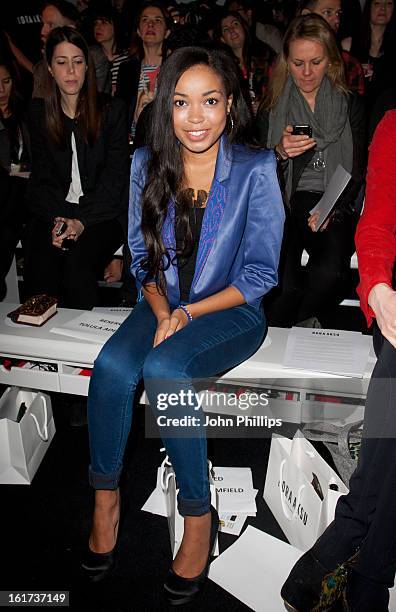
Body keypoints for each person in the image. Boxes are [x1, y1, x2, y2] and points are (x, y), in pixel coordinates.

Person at [81, 46, 284, 604]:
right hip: (162, 301)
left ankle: (198, 515)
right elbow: (141, 258)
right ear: (166, 108)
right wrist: (163, 306)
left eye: (209, 101)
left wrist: (188, 313)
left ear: (230, 105)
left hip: (231, 310)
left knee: (167, 368)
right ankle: (105, 498)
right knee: (113, 367)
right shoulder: (147, 162)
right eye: (181, 102)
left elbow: (261, 274)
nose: (195, 117)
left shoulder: (255, 167)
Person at [281, 108, 396, 612]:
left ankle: (357, 533)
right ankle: (370, 559)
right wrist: (378, 289)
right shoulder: (393, 124)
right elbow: (376, 225)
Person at [254, 14, 365, 327]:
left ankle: (304, 325)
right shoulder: (272, 106)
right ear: (285, 61)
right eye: (297, 62)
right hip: (284, 203)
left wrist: (334, 206)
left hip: (334, 200)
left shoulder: (349, 103)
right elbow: (255, 168)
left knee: (331, 272)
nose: (306, 73)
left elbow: (356, 169)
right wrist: (278, 151)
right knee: (281, 286)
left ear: (330, 60)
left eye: (315, 62)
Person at [24, 26, 128, 310]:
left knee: (77, 267)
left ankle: (82, 351)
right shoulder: (38, 113)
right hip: (54, 211)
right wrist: (60, 221)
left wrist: (80, 221)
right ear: (49, 68)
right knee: (40, 266)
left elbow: (115, 181)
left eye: (78, 61)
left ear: (87, 66)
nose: (71, 71)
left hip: (102, 215)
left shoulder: (112, 111)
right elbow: (41, 178)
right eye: (61, 62)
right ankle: (39, 349)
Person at [0, 55, 31, 301]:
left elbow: (34, 161)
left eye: (6, 81)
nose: (1, 89)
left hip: (23, 198)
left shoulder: (24, 114)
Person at [115, 1, 171, 135]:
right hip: (134, 145)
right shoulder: (126, 69)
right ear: (139, 31)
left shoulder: (175, 67)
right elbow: (120, 114)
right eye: (145, 20)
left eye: (157, 20)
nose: (150, 24)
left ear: (167, 32)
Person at [299, 0, 365, 96]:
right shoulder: (285, 61)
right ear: (306, 15)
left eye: (338, 13)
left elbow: (354, 107)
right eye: (327, 12)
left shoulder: (348, 64)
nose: (337, 20)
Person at [215, 10, 275, 113]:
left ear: (244, 28)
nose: (232, 30)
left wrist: (265, 105)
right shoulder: (222, 67)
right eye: (226, 29)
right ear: (223, 39)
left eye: (235, 24)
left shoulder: (265, 56)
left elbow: (280, 90)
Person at [92, 5, 129, 96]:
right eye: (96, 23)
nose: (98, 27)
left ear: (115, 26)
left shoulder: (127, 57)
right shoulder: (91, 56)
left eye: (104, 23)